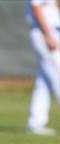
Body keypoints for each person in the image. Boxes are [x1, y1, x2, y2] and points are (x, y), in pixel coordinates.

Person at [26, 0, 60, 136]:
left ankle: (36, 123)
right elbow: (37, 8)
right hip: (44, 33)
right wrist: (47, 34)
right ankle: (36, 123)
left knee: (44, 82)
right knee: (57, 75)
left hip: (54, 32)